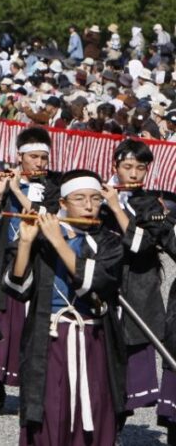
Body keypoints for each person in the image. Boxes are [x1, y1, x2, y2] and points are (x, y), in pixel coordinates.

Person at [5, 170, 125, 446]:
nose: (88, 205)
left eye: (95, 199)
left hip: (92, 339)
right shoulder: (42, 236)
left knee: (92, 406)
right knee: (48, 407)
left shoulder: (108, 241)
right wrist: (25, 241)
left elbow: (96, 283)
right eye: (79, 198)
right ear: (62, 203)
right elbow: (16, 289)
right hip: (49, 338)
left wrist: (58, 241)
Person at [0, 126, 60, 414]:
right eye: (34, 157)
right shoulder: (3, 182)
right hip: (1, 261)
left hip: (35, 263)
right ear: (20, 157)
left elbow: (45, 222)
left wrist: (17, 193)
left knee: (30, 327)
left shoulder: (52, 189)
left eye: (43, 158)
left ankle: (30, 389)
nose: (39, 163)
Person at [100, 140, 170, 424]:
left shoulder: (151, 204)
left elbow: (142, 244)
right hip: (101, 287)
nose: (134, 174)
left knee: (129, 358)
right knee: (99, 355)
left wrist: (118, 210)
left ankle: (117, 425)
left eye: (140, 168)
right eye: (127, 167)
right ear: (114, 166)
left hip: (139, 287)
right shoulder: (94, 194)